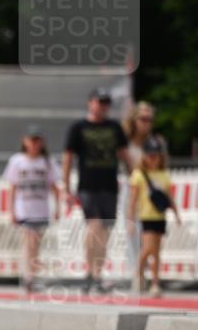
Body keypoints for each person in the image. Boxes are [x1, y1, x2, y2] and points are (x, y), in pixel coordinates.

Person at [62, 88, 132, 293]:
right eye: (99, 102)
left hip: (109, 185)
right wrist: (66, 188)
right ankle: (90, 271)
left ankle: (97, 274)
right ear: (90, 103)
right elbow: (68, 158)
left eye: (106, 103)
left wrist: (135, 176)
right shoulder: (78, 127)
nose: (103, 106)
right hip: (87, 186)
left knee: (105, 230)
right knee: (94, 226)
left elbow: (124, 155)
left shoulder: (114, 127)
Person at [4, 125, 60, 293]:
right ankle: (28, 277)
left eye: (37, 140)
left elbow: (54, 187)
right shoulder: (17, 161)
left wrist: (57, 208)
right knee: (28, 243)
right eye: (32, 140)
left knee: (36, 245)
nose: (35, 144)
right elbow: (12, 187)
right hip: (24, 208)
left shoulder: (47, 162)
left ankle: (32, 277)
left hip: (41, 208)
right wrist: (11, 211)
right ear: (25, 141)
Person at [127, 134, 180, 297]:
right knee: (148, 248)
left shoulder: (164, 175)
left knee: (156, 252)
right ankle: (138, 273)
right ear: (145, 156)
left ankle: (155, 283)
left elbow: (169, 197)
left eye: (156, 155)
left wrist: (176, 214)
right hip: (146, 216)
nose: (153, 159)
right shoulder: (138, 175)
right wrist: (130, 220)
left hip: (159, 217)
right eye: (150, 155)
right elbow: (132, 200)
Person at [121, 101, 158, 279]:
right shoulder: (125, 143)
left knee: (149, 233)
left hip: (148, 192)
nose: (146, 123)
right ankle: (136, 274)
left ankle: (145, 271)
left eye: (150, 119)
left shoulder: (154, 143)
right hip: (130, 190)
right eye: (143, 118)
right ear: (134, 119)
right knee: (131, 232)